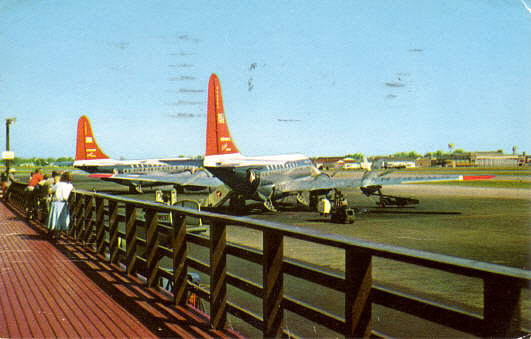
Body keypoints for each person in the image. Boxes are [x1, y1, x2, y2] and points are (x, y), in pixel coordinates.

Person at [47, 171, 74, 240]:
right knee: (62, 219)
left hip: (56, 203)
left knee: (55, 219)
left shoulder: (58, 184)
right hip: (64, 203)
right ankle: (60, 234)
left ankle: (56, 233)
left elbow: (50, 191)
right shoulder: (70, 186)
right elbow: (73, 190)